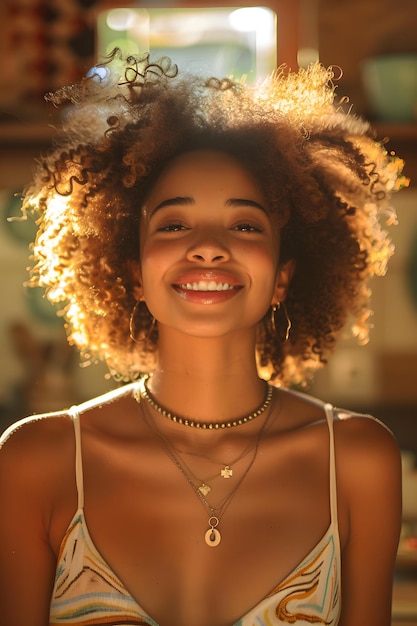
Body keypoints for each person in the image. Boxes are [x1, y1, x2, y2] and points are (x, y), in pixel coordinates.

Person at [0, 50, 407, 626]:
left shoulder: (359, 460)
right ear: (134, 274)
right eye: (174, 223)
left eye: (244, 224)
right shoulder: (36, 460)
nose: (210, 245)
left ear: (283, 278)